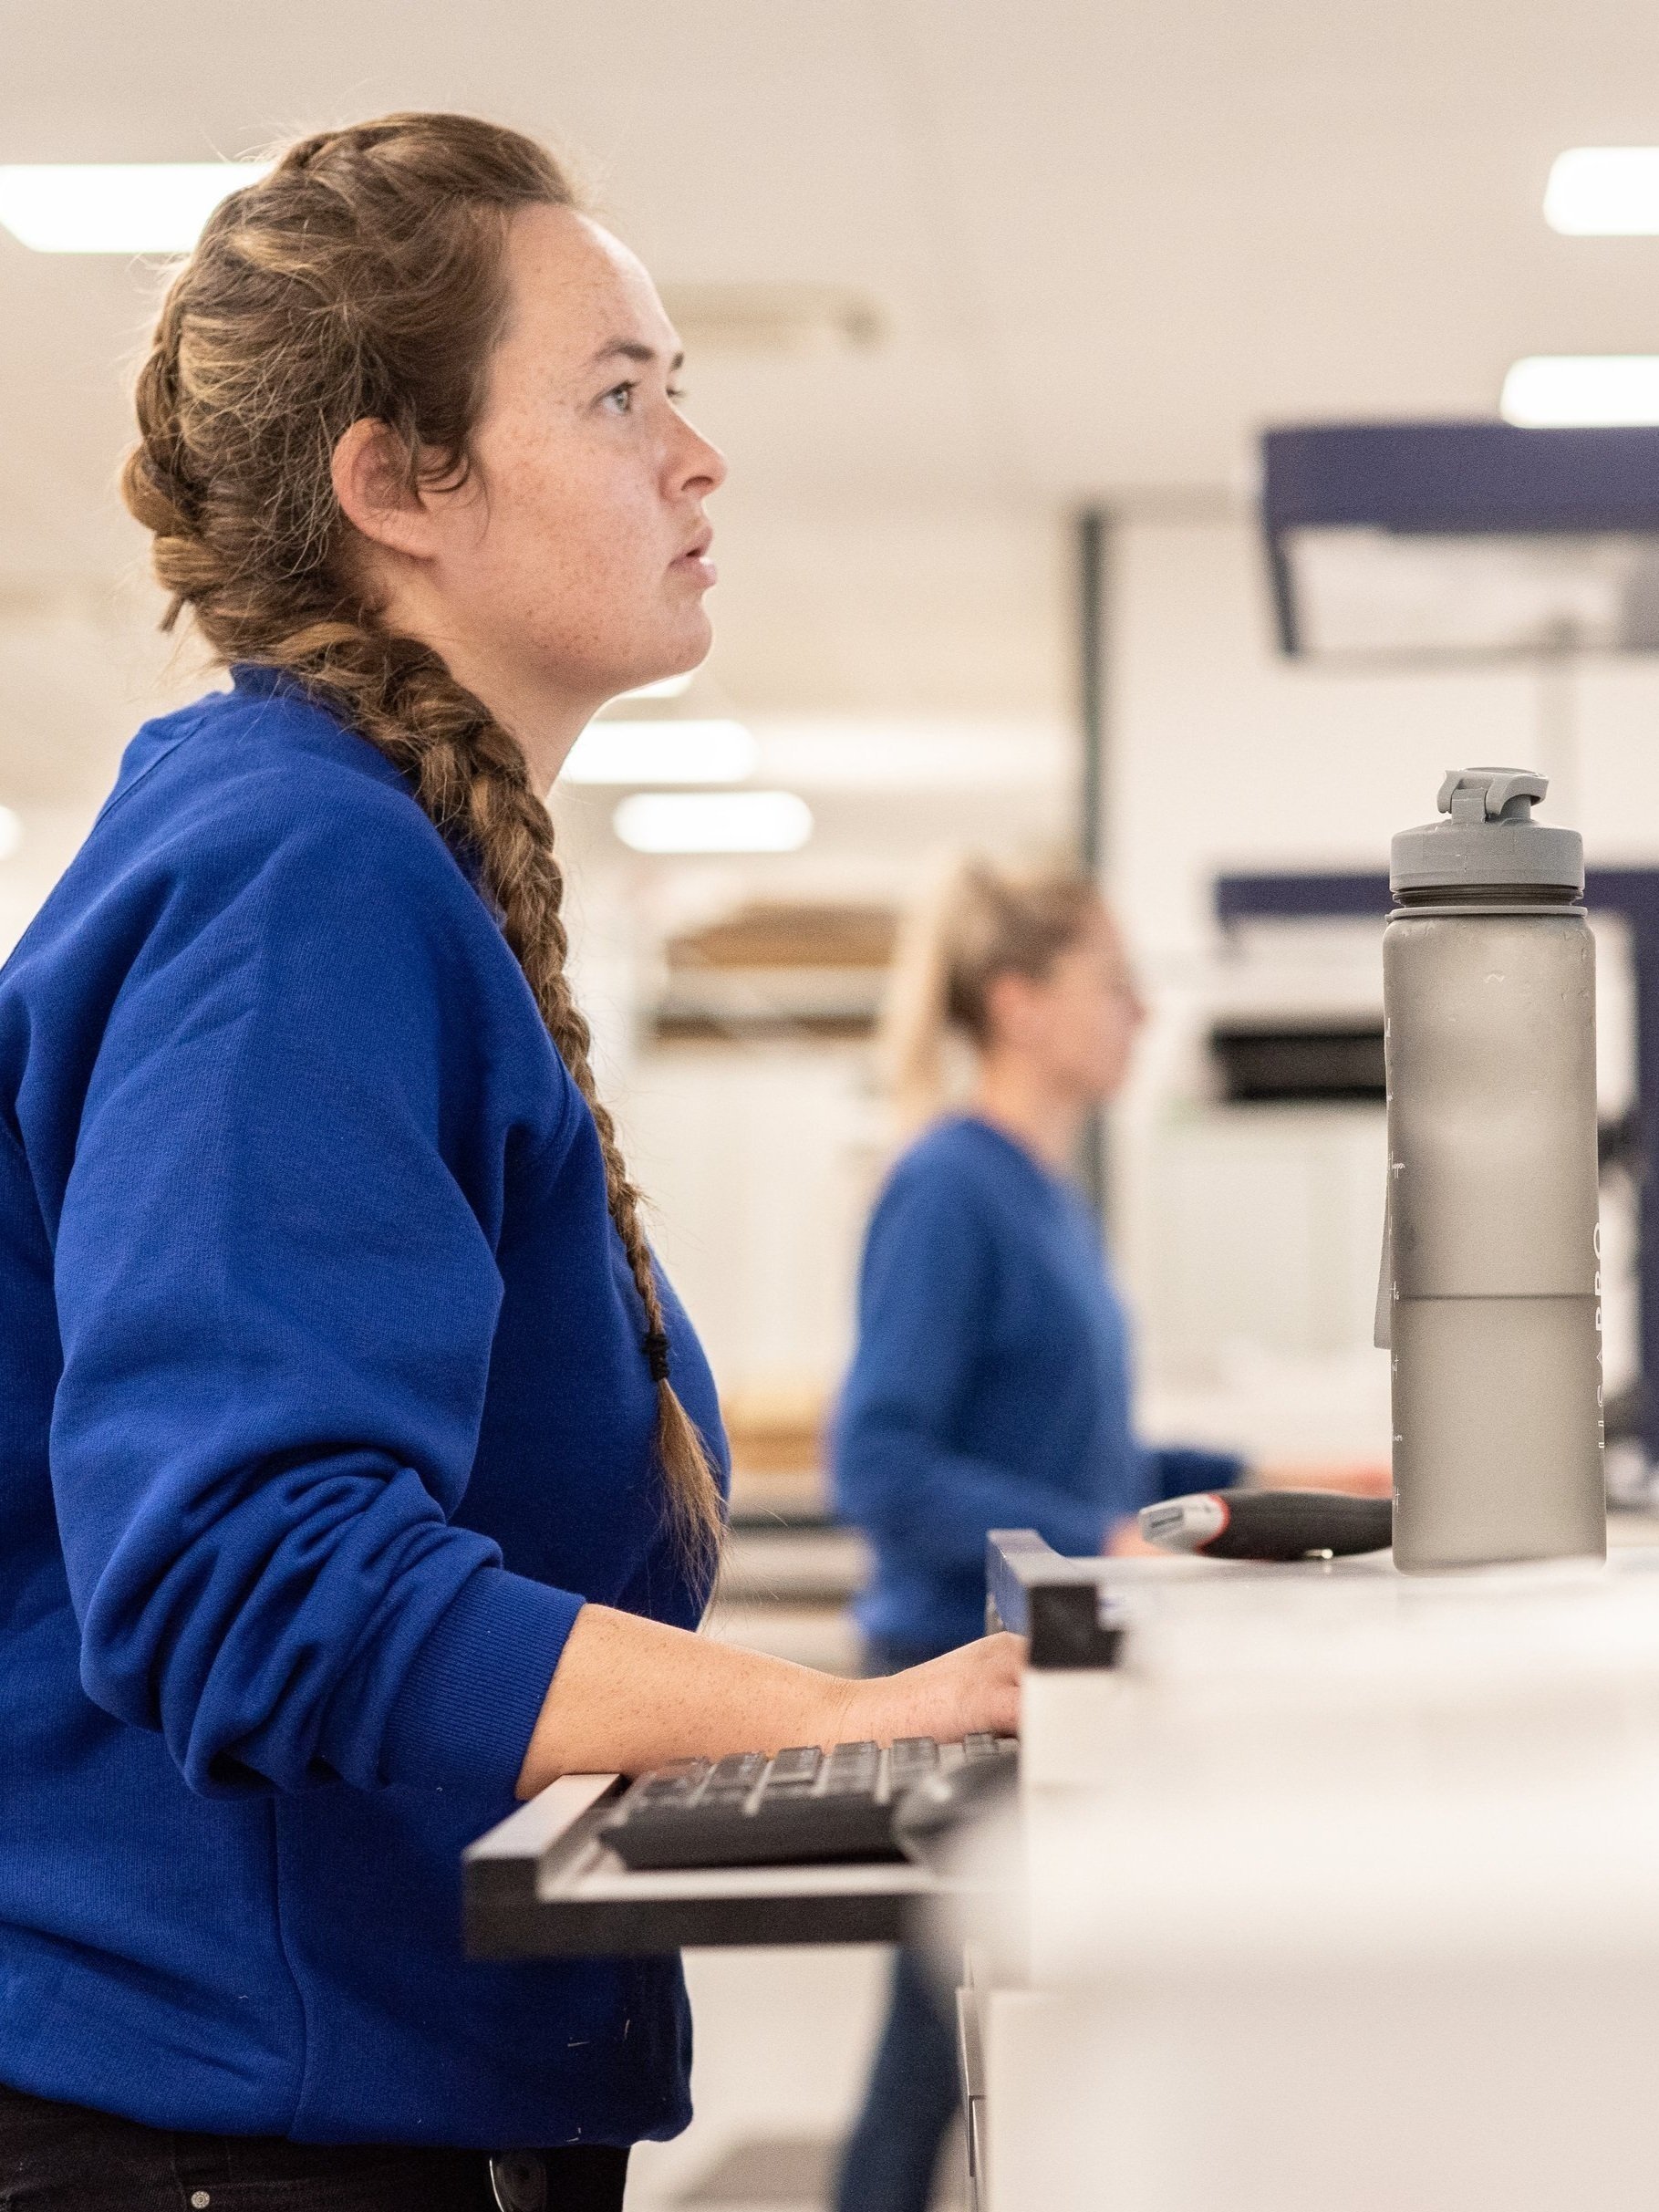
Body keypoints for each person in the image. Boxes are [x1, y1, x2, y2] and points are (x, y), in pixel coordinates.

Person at [0, 115, 1021, 2212]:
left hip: (350, 2099)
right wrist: (846, 1719)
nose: (696, 456)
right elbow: (249, 1575)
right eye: (620, 394)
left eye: (682, 391)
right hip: (221, 2131)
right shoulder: (295, 871)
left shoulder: (382, 867)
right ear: (396, 485)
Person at [830, 860, 1245, 2212]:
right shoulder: (950, 1185)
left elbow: (1086, 1450)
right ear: (1018, 1003)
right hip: (955, 1674)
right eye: (1110, 984)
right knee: (929, 2060)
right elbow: (882, 1461)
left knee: (960, 2050)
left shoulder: (1046, 1191)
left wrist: (1257, 1481)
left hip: (1040, 1680)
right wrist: (1104, 1539)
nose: (1137, 1010)